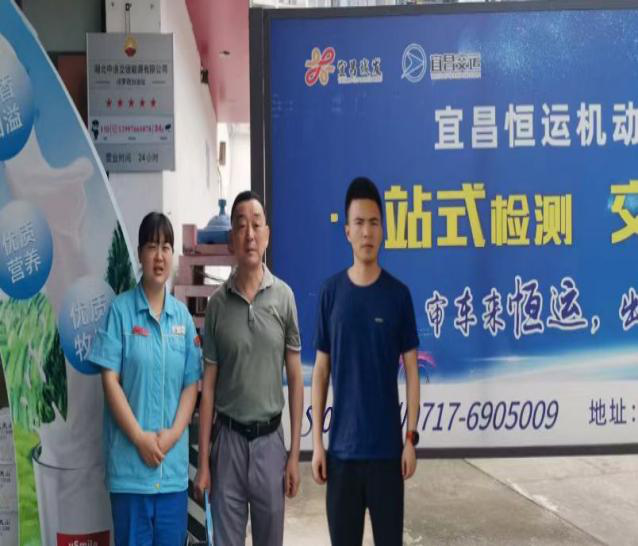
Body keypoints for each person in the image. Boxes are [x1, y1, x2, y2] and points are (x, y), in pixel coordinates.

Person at [311, 177, 421, 546]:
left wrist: (411, 439)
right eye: (358, 223)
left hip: (388, 455)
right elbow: (320, 372)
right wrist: (318, 445)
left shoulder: (398, 295)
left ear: (383, 230)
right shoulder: (331, 294)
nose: (366, 232)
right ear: (347, 231)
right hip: (342, 456)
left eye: (374, 222)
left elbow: (412, 371)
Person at [194, 190, 304, 546]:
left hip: (270, 443)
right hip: (227, 444)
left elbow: (295, 379)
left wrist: (294, 456)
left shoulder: (284, 298)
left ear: (267, 235)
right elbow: (208, 388)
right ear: (232, 240)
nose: (250, 234)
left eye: (256, 225)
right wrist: (204, 462)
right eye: (241, 226)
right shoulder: (217, 306)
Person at [89, 212, 201, 545]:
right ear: (140, 253)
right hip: (130, 474)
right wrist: (139, 438)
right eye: (152, 246)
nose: (159, 256)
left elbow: (191, 384)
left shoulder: (182, 318)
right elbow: (109, 381)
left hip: (171, 472)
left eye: (166, 247)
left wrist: (173, 434)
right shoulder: (120, 312)